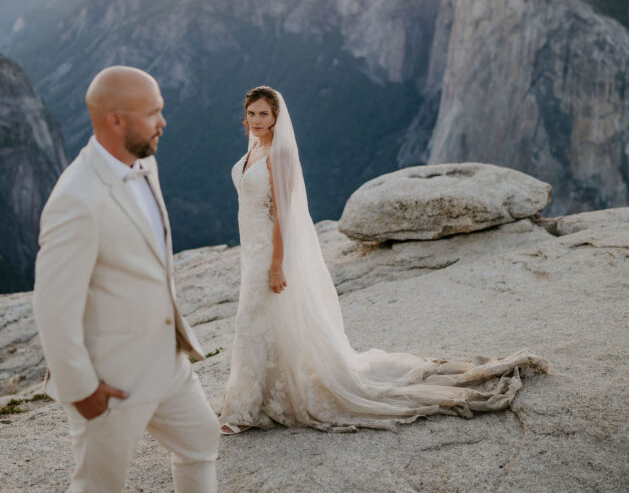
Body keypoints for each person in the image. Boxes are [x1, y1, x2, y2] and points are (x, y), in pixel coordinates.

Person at [218, 86, 548, 434]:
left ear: (276, 118)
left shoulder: (280, 152)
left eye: (263, 114)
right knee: (262, 321)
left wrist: (277, 264)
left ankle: (245, 409)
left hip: (270, 252)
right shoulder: (255, 146)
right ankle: (257, 396)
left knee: (251, 320)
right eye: (251, 113)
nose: (256, 120)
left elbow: (283, 215)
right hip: (252, 250)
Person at [33, 66, 219, 493]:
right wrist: (83, 390)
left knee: (201, 441)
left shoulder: (143, 164)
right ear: (116, 120)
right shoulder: (75, 200)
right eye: (153, 113)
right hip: (113, 379)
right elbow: (53, 308)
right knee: (96, 492)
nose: (163, 122)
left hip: (167, 363)